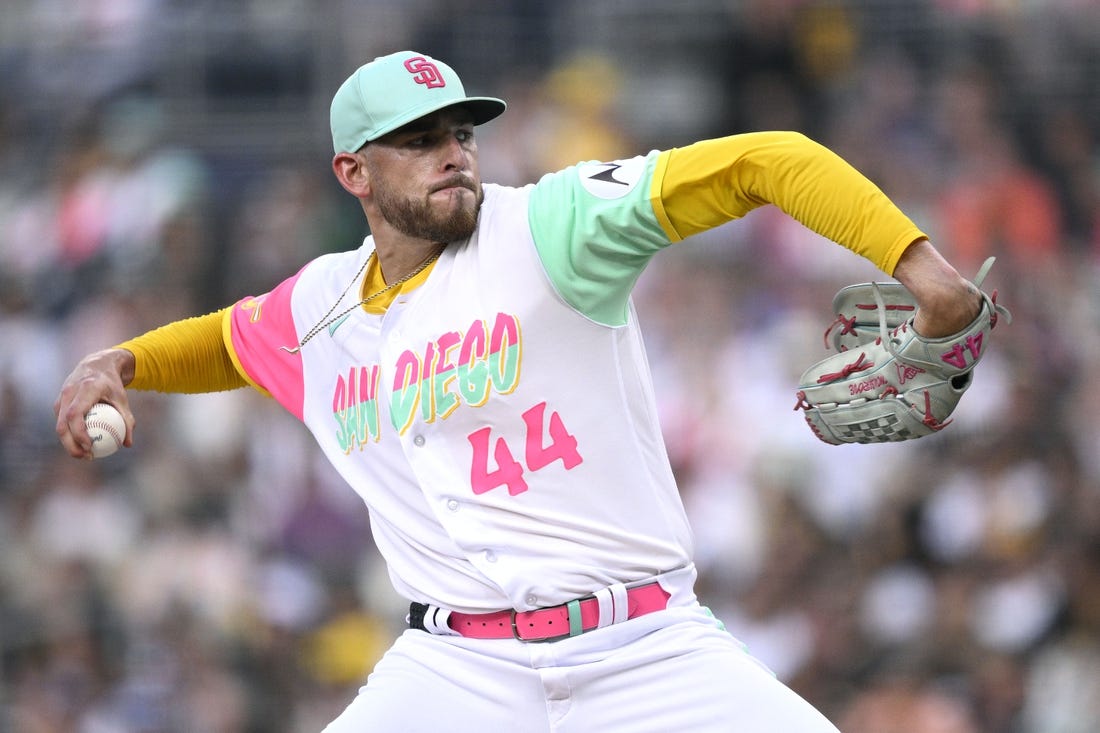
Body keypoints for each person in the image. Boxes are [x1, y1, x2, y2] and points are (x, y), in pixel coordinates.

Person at [55, 51, 982, 732]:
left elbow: (764, 160)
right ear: (354, 173)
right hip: (455, 667)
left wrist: (921, 268)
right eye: (418, 142)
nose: (453, 154)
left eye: (460, 132)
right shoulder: (320, 309)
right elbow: (223, 339)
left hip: (645, 645)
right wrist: (119, 363)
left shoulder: (552, 225)